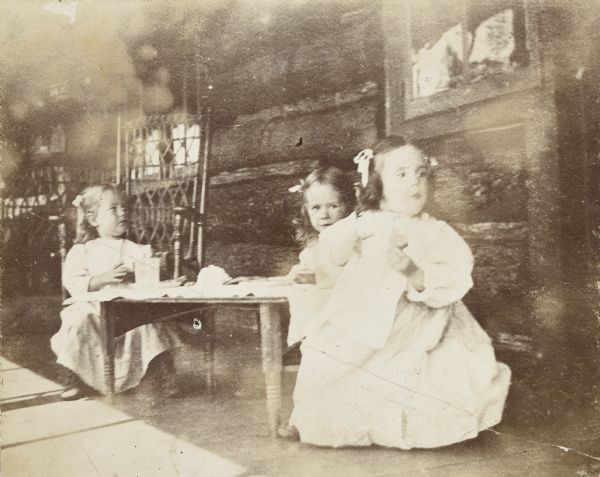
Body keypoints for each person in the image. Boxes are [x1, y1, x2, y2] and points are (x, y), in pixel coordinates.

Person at [286, 136, 511, 449]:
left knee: (428, 382)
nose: (413, 182)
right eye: (401, 174)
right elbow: (330, 251)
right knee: (331, 363)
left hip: (422, 325)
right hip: (366, 319)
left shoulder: (433, 231)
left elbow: (452, 278)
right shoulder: (364, 222)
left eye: (420, 173)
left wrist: (412, 271)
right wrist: (341, 254)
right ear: (377, 183)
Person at [50, 184, 183, 400]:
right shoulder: (83, 250)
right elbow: (73, 282)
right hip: (94, 308)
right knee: (76, 319)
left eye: (125, 207)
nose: (123, 212)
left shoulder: (136, 249)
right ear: (94, 220)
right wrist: (100, 279)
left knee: (152, 321)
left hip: (128, 306)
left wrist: (151, 271)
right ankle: (74, 376)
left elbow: (150, 275)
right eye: (114, 209)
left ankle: (161, 373)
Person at [284, 166, 356, 344]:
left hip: (349, 321)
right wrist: (296, 277)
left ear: (347, 206)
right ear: (306, 211)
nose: (324, 215)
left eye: (333, 206)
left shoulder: (352, 240)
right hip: (320, 327)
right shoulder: (313, 247)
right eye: (316, 208)